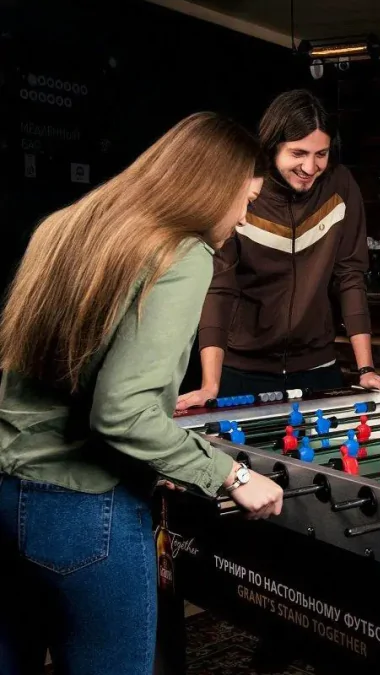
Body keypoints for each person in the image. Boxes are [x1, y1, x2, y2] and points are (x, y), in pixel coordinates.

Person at [0, 112, 285, 675]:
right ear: (212, 187)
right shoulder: (182, 253)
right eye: (246, 199)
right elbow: (122, 412)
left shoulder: (63, 227)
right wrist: (235, 476)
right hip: (84, 511)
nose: (244, 216)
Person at [176, 90, 380, 411]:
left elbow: (350, 276)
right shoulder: (242, 191)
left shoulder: (341, 186)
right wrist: (210, 384)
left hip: (319, 369)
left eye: (322, 154)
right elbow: (219, 288)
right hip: (242, 371)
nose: (310, 166)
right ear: (272, 145)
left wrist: (366, 369)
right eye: (298, 153)